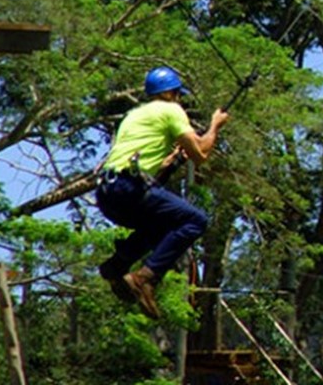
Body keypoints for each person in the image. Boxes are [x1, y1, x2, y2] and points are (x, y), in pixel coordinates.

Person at [95, 66, 230, 319]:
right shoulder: (171, 110)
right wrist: (215, 125)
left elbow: (136, 157)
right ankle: (145, 278)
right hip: (128, 187)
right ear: (170, 93)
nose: (179, 100)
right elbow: (201, 154)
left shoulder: (133, 116)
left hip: (107, 192)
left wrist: (168, 161)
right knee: (196, 220)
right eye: (178, 94)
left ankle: (117, 265)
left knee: (160, 225)